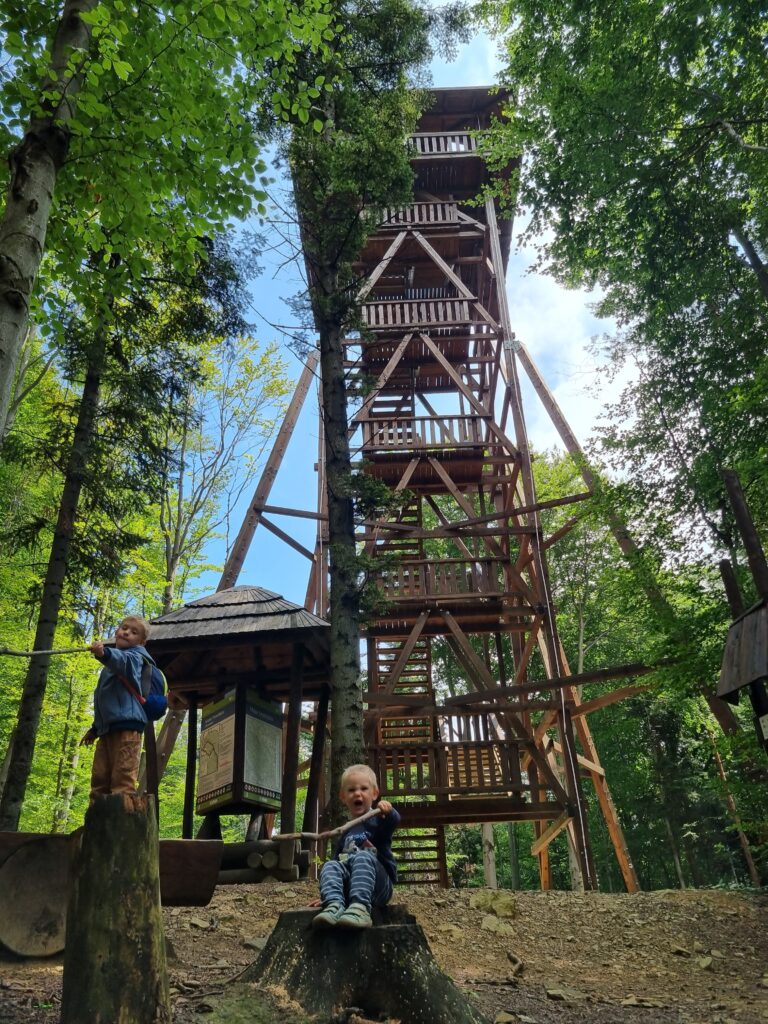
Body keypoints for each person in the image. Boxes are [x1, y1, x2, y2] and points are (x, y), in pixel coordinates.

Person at [313, 763, 400, 929]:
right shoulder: (347, 831)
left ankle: (360, 909)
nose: (357, 793)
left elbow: (393, 821)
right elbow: (338, 863)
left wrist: (388, 811)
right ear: (343, 796)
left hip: (379, 886)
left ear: (374, 793)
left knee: (363, 856)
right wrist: (327, 893)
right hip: (352, 887)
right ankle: (334, 905)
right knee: (331, 865)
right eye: (351, 790)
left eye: (364, 788)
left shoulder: (379, 820)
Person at [80, 615, 154, 801]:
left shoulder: (136, 658)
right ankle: (96, 813)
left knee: (123, 780)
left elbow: (123, 661)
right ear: (117, 631)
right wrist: (95, 729)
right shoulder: (110, 666)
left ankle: (123, 813)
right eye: (124, 628)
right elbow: (107, 701)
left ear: (142, 642)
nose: (126, 632)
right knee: (99, 779)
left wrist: (104, 653)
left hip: (128, 729)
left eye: (134, 632)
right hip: (107, 730)